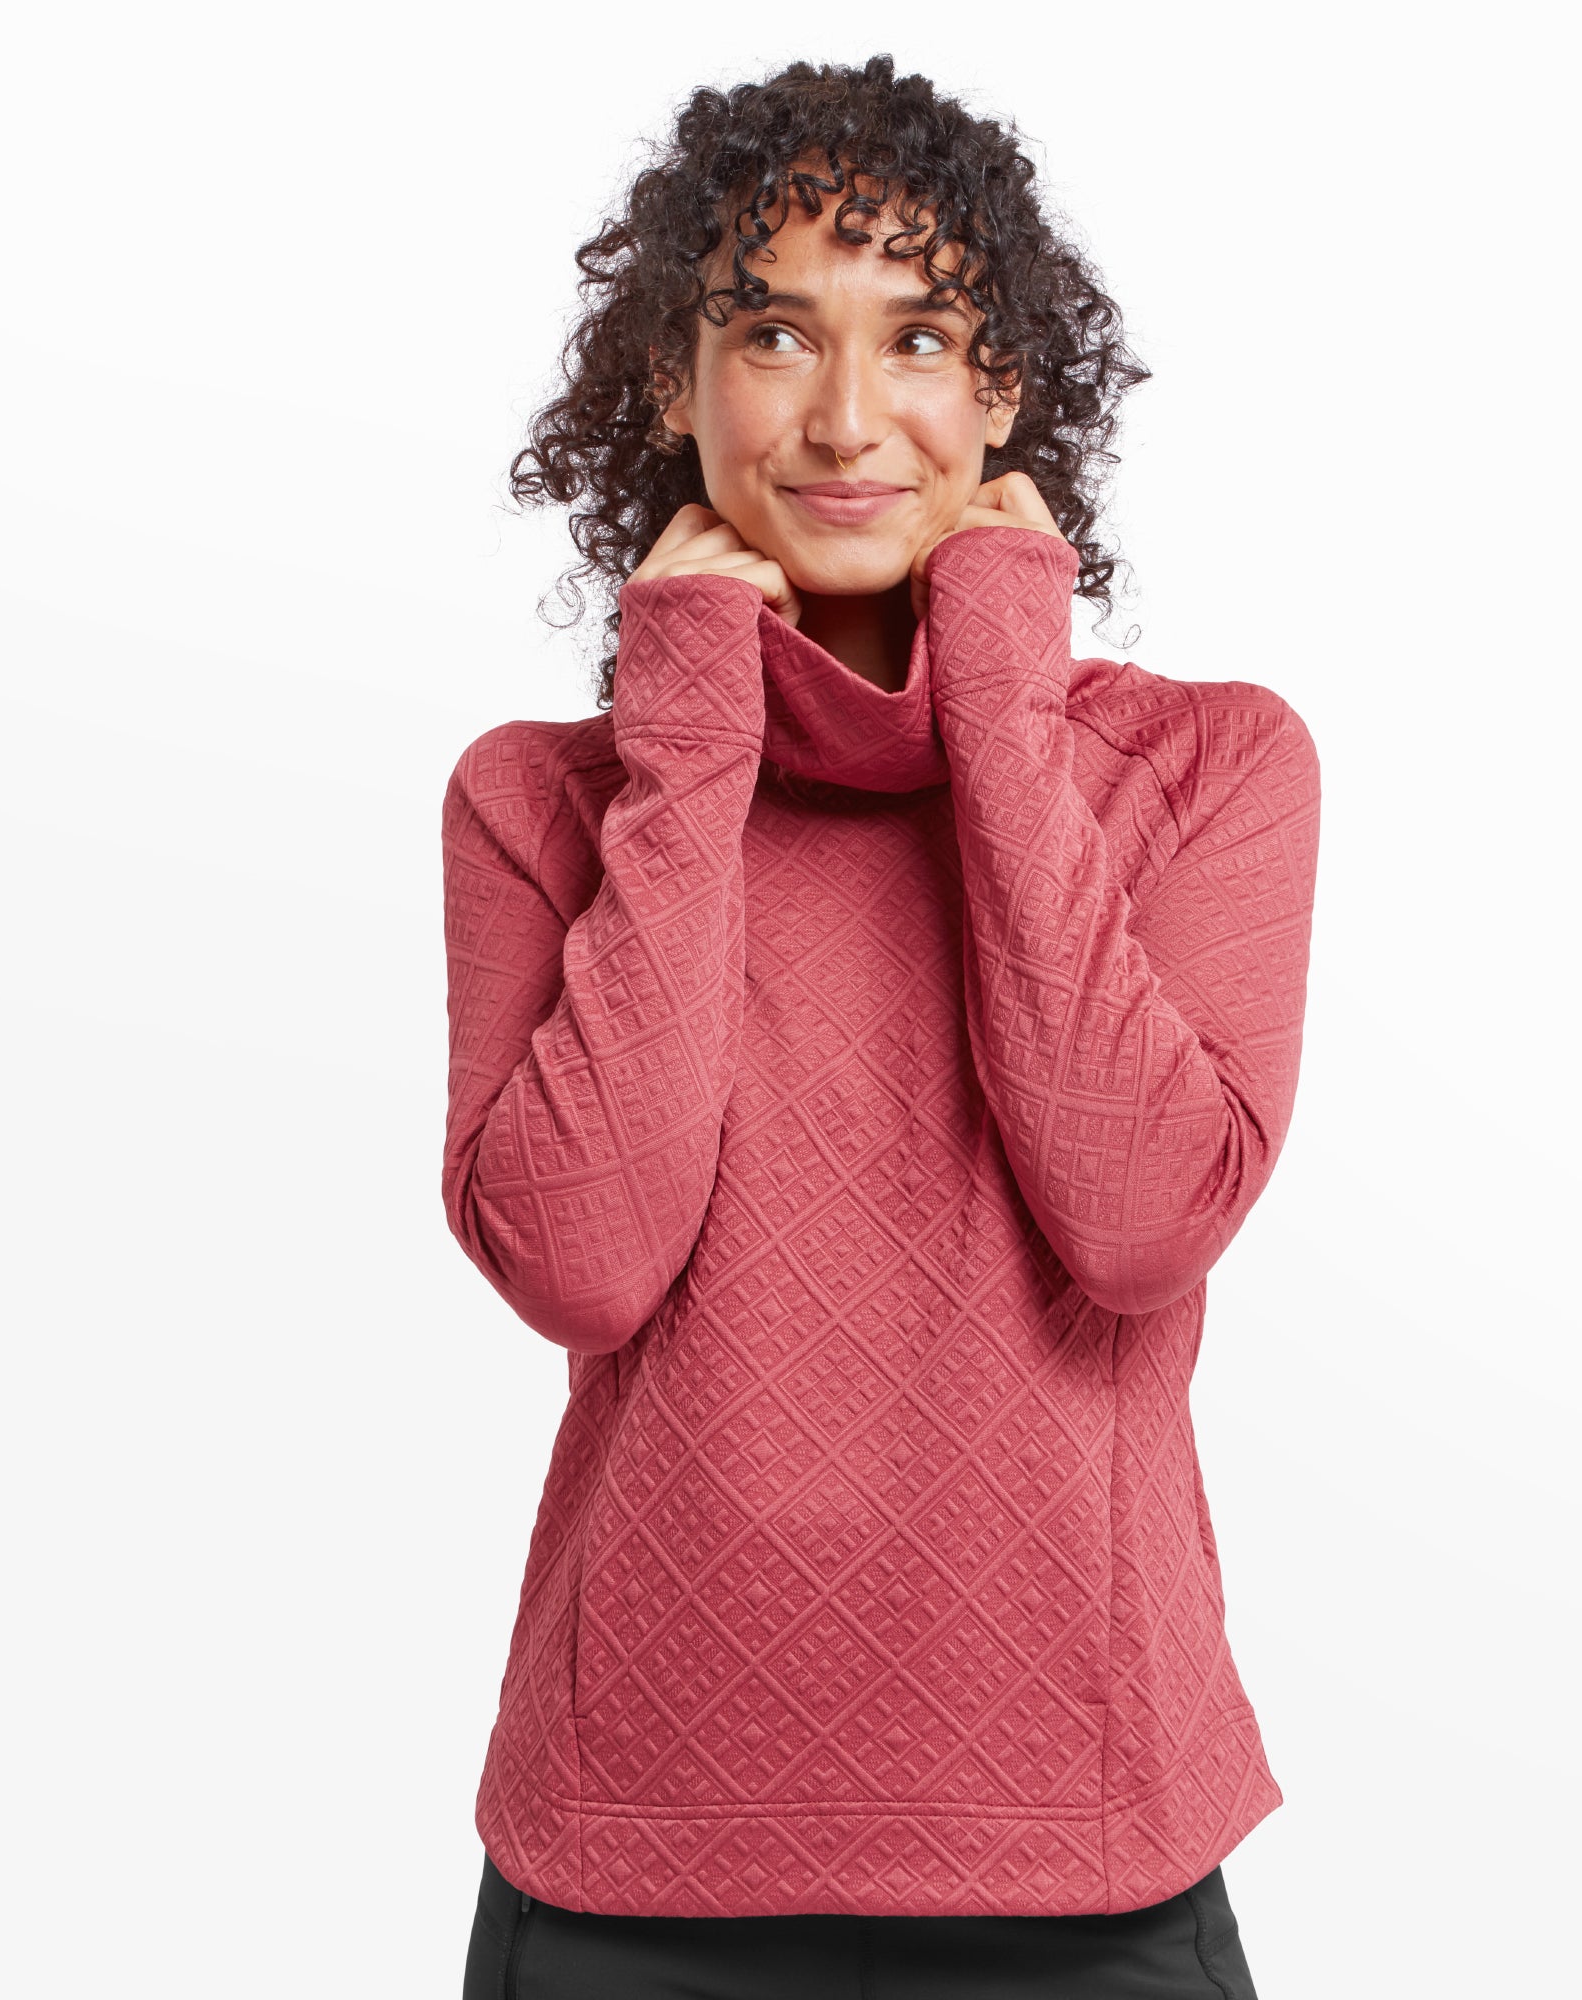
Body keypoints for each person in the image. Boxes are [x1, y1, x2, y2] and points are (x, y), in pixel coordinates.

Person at [441, 54, 1318, 2000]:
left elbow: (1137, 1221)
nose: (843, 415)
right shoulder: (542, 798)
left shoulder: (1203, 767)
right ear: (679, 382)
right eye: (771, 332)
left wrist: (1001, 701)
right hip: (632, 1877)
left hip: (1086, 1874)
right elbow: (584, 1257)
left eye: (915, 333)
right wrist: (680, 748)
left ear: (999, 393)